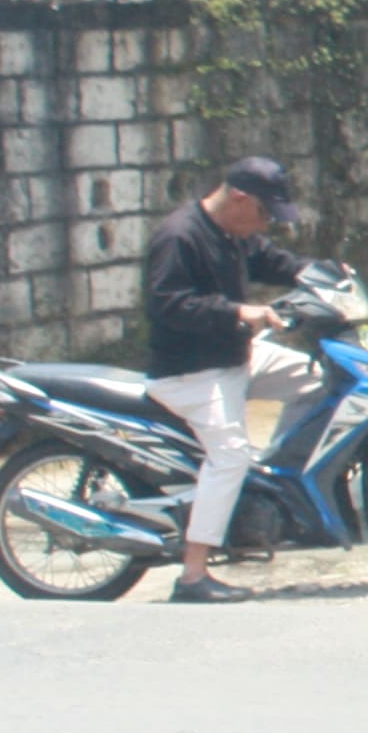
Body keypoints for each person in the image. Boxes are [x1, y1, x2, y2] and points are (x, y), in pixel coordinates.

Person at [141, 157, 313, 604]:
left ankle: (281, 484)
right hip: (191, 373)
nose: (266, 224)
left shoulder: (233, 234)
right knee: (232, 455)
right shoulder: (180, 236)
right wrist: (239, 311)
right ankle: (193, 576)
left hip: (235, 358)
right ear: (238, 198)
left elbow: (271, 260)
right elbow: (168, 303)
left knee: (320, 377)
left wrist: (319, 275)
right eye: (263, 213)